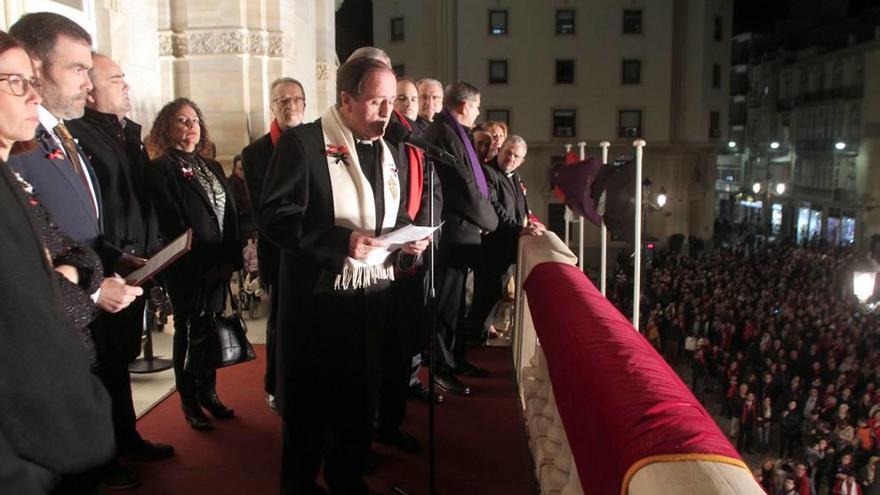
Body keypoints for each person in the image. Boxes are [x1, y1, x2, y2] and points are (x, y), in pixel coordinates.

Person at [259, 56, 428, 494]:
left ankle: (346, 478)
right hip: (319, 299)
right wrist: (340, 243)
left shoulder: (387, 150)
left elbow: (382, 221)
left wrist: (404, 245)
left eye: (391, 102)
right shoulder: (302, 144)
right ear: (346, 99)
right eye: (376, 102)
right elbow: (276, 218)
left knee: (358, 402)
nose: (387, 114)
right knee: (311, 409)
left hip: (371, 297)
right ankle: (298, 485)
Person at [8, 12, 146, 489]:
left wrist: (101, 259)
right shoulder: (21, 145)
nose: (88, 84)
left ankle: (116, 448)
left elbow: (78, 231)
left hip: (90, 282)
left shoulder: (60, 132)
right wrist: (74, 279)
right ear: (40, 69)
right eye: (78, 69)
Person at [65, 52, 175, 464]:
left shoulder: (124, 133)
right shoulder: (79, 136)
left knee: (121, 357)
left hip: (135, 263)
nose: (126, 85)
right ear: (90, 92)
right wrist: (115, 256)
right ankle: (108, 454)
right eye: (117, 79)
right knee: (105, 364)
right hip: (104, 266)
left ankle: (127, 439)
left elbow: (139, 198)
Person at [146, 98, 241, 431]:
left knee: (210, 327)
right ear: (167, 127)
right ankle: (189, 402)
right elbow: (172, 221)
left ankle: (209, 394)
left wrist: (230, 259)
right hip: (187, 267)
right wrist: (204, 263)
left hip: (218, 265)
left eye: (195, 121)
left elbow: (229, 216)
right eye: (181, 121)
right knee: (188, 331)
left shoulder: (211, 166)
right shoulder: (161, 168)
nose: (190, 127)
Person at [424, 80, 499, 395]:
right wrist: (491, 220)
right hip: (452, 234)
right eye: (477, 105)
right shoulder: (442, 132)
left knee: (456, 306)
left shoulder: (454, 131)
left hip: (463, 232)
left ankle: (456, 359)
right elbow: (461, 186)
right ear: (465, 105)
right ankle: (442, 368)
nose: (479, 111)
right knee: (446, 305)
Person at [240, 76, 306, 412]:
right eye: (282, 100)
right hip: (279, 251)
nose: (290, 105)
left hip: (313, 253)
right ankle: (275, 386)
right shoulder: (255, 154)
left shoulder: (317, 141)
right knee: (280, 324)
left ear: (305, 104)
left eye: (296, 99)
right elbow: (267, 208)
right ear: (272, 107)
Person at [468, 135, 543, 343]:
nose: (511, 158)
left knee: (494, 296)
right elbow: (494, 208)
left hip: (507, 248)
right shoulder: (488, 173)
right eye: (508, 152)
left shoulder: (515, 177)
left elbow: (521, 208)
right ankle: (474, 340)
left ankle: (478, 338)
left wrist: (528, 223)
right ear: (500, 150)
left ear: (522, 161)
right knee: (486, 297)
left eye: (516, 156)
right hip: (492, 248)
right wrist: (519, 228)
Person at [228, 154, 256, 238]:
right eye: (240, 169)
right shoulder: (230, 184)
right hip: (239, 224)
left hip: (253, 224)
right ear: (235, 170)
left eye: (245, 169)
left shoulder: (255, 182)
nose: (243, 173)